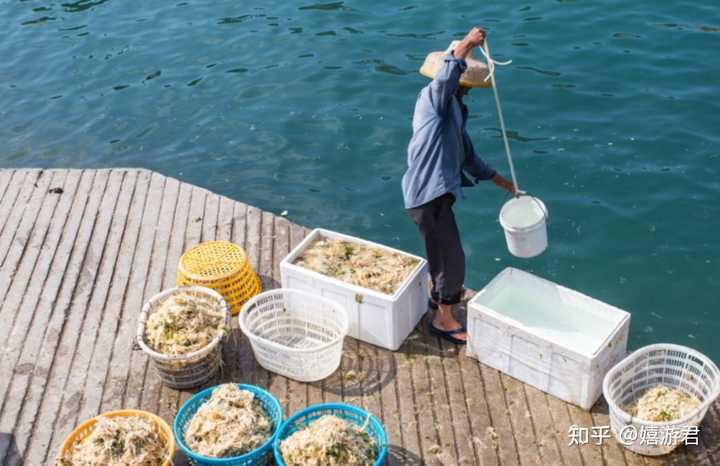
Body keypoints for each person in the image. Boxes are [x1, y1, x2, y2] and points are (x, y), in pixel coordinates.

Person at [401, 27, 515, 344]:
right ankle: (443, 319)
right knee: (451, 260)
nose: (467, 92)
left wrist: (503, 182)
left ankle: (439, 299)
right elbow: (445, 78)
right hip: (427, 196)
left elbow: (468, 155)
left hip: (438, 197)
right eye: (465, 87)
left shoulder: (453, 112)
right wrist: (467, 43)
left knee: (442, 253)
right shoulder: (433, 101)